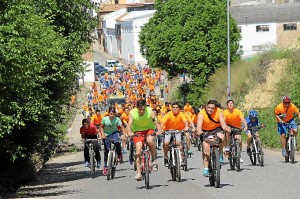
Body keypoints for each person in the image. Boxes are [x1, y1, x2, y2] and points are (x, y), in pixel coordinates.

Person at [127, 99, 162, 181]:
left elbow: (155, 121)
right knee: (138, 151)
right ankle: (139, 173)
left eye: (143, 109)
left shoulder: (149, 111)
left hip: (149, 129)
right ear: (137, 108)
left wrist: (159, 130)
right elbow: (129, 124)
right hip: (138, 131)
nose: (142, 111)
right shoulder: (132, 113)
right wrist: (129, 132)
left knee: (150, 141)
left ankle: (154, 160)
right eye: (140, 109)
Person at [196, 100, 230, 177]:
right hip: (205, 131)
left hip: (216, 129)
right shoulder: (201, 114)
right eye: (209, 107)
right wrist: (199, 131)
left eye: (212, 108)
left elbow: (223, 123)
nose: (210, 110)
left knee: (222, 136)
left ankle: (220, 154)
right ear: (206, 106)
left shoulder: (219, 112)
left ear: (215, 108)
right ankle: (206, 169)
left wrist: (225, 128)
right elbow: (199, 126)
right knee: (206, 148)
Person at [100, 106, 127, 175]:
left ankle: (119, 154)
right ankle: (105, 166)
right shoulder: (104, 119)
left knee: (117, 142)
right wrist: (102, 134)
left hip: (114, 133)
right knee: (106, 151)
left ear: (115, 114)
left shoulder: (117, 119)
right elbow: (101, 127)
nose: (112, 115)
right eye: (110, 113)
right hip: (106, 135)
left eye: (113, 114)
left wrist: (124, 136)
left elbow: (122, 128)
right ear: (108, 113)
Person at [161, 102, 189, 167]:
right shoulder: (168, 114)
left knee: (179, 143)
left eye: (177, 107)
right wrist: (161, 129)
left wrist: (186, 126)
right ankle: (165, 157)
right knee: (166, 143)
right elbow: (162, 122)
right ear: (171, 108)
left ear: (179, 109)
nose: (175, 109)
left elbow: (185, 121)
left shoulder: (181, 114)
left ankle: (181, 160)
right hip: (168, 130)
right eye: (173, 107)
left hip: (177, 131)